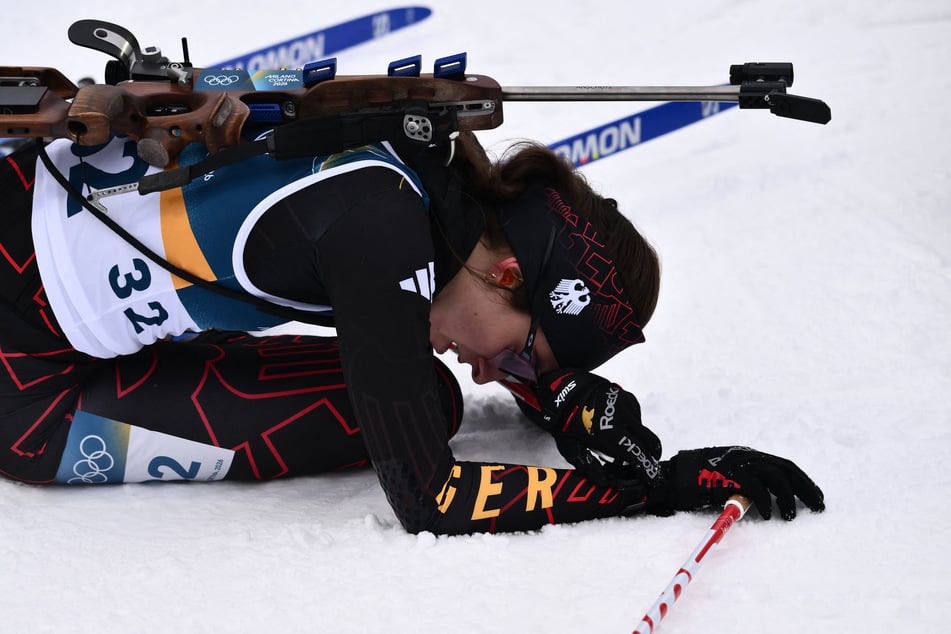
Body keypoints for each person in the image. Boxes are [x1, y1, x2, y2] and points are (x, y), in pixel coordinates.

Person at [0, 125, 824, 535]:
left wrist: (566, 396)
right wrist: (652, 489)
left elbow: (507, 341)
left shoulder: (418, 176)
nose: (487, 372)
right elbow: (430, 498)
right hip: (19, 385)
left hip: (24, 224)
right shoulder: (381, 235)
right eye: (516, 355)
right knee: (419, 405)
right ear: (510, 274)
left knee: (422, 389)